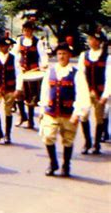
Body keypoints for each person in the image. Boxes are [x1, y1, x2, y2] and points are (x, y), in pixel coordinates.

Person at [38, 42, 90, 177]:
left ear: (69, 55)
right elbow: (45, 91)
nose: (61, 56)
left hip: (68, 113)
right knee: (48, 136)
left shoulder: (76, 74)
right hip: (51, 111)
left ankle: (66, 165)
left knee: (68, 139)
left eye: (64, 54)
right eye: (59, 54)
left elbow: (82, 94)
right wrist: (42, 109)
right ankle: (53, 162)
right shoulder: (50, 71)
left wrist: (77, 113)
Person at [78, 28, 110, 154]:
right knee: (84, 115)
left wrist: (106, 94)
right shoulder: (84, 55)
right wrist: (81, 91)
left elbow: (109, 77)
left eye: (94, 39)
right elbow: (80, 74)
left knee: (99, 118)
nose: (91, 41)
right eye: (90, 39)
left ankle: (97, 144)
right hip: (86, 90)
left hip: (99, 91)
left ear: (99, 41)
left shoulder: (106, 58)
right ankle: (87, 142)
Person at [12, 21, 49, 129]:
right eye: (25, 30)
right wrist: (17, 64)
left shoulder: (37, 42)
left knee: (31, 97)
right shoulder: (20, 40)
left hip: (33, 72)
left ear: (32, 31)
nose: (27, 32)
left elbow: (43, 55)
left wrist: (44, 64)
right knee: (19, 94)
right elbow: (14, 53)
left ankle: (31, 120)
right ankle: (23, 115)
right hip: (22, 72)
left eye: (29, 30)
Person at [0, 36, 23, 144]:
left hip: (9, 87)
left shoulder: (14, 58)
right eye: (3, 46)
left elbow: (19, 74)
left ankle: (8, 134)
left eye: (7, 46)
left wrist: (18, 88)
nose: (5, 48)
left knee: (8, 111)